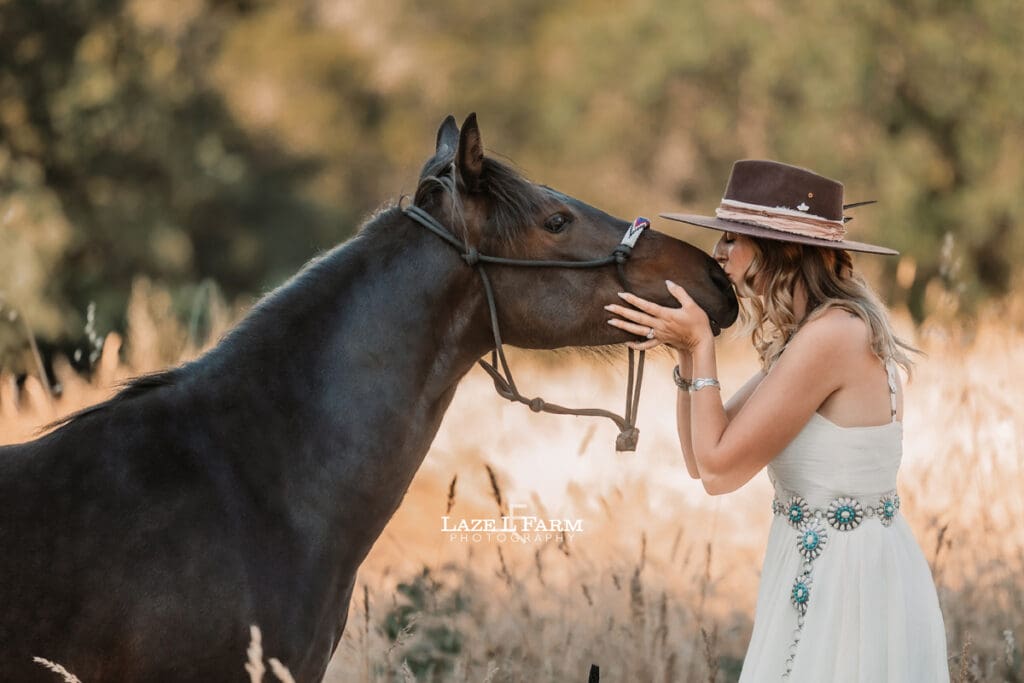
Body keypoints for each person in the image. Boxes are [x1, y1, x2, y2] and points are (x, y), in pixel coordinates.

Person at [604, 160, 949, 681]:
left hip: (846, 582)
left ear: (782, 249)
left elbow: (721, 473)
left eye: (731, 239)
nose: (718, 253)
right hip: (822, 565)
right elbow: (703, 459)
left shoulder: (832, 338)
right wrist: (686, 355)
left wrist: (702, 343)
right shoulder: (810, 336)